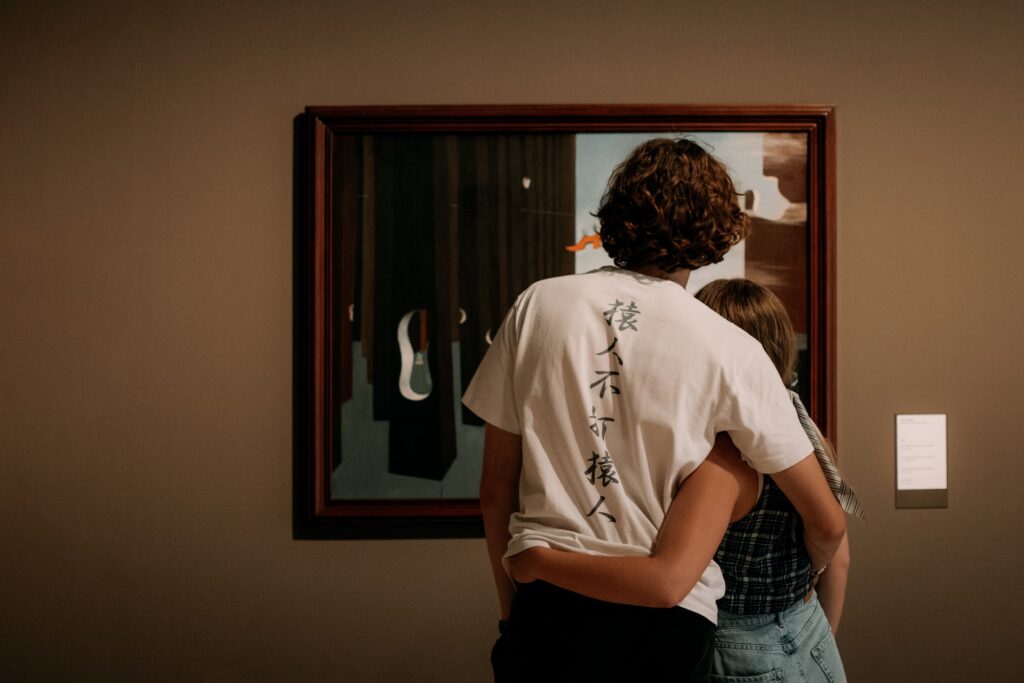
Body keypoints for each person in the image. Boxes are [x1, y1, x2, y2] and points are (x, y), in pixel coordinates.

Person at [463, 138, 846, 682]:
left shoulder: (537, 305)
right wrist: (808, 582)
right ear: (716, 230)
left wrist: (512, 609)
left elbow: (494, 490)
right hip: (666, 620)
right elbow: (827, 520)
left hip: (546, 601)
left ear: (619, 213)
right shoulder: (731, 348)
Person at [509, 278, 862, 682]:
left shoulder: (724, 457)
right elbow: (838, 546)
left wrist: (537, 560)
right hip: (807, 628)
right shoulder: (801, 423)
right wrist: (805, 603)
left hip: (738, 646)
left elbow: (667, 581)